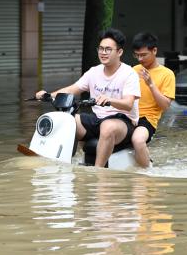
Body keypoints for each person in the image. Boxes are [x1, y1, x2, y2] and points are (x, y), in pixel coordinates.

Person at [36, 28, 141, 167]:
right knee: (67, 119)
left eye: (108, 49)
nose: (103, 53)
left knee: (107, 127)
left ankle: (98, 172)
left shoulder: (129, 73)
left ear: (119, 52)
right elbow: (72, 89)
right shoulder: (94, 72)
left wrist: (110, 100)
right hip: (97, 120)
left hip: (123, 122)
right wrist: (48, 95)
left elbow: (128, 104)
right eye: (101, 48)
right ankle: (60, 163)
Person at [131, 32, 176, 168]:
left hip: (148, 119)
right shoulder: (133, 70)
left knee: (138, 141)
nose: (140, 59)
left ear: (154, 51)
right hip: (129, 115)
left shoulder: (167, 74)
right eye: (137, 55)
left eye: (143, 55)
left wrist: (151, 84)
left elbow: (165, 106)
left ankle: (148, 174)